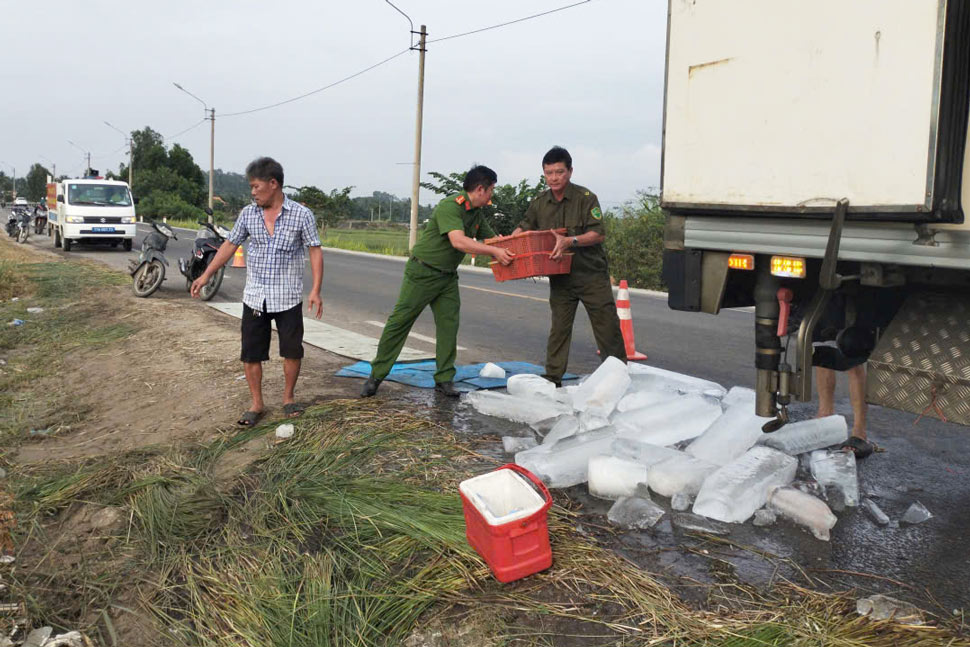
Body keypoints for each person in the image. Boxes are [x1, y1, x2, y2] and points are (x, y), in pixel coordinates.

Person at [360, 165, 514, 398]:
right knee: (400, 323)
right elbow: (459, 242)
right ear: (481, 189)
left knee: (448, 327)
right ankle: (376, 376)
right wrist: (493, 252)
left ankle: (444, 379)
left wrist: (509, 247)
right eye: (491, 189)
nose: (491, 195)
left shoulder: (476, 213)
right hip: (422, 272)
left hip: (447, 278)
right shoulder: (450, 206)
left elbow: (491, 240)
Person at [191, 157, 323, 426]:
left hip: (287, 297)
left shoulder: (302, 215)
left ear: (273, 184)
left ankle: (288, 398)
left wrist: (316, 290)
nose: (253, 192)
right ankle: (256, 404)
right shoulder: (248, 214)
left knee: (292, 351)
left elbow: (315, 250)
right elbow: (229, 245)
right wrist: (206, 275)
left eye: (256, 186)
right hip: (255, 297)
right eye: (251, 187)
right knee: (251, 353)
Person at [511, 146, 626, 386]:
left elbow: (598, 234)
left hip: (591, 275)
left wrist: (570, 241)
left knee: (607, 328)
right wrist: (512, 242)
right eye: (549, 173)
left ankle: (617, 377)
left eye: (559, 172)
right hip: (560, 276)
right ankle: (553, 378)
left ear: (570, 172)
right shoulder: (539, 202)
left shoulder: (586, 198)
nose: (554, 178)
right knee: (559, 329)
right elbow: (524, 226)